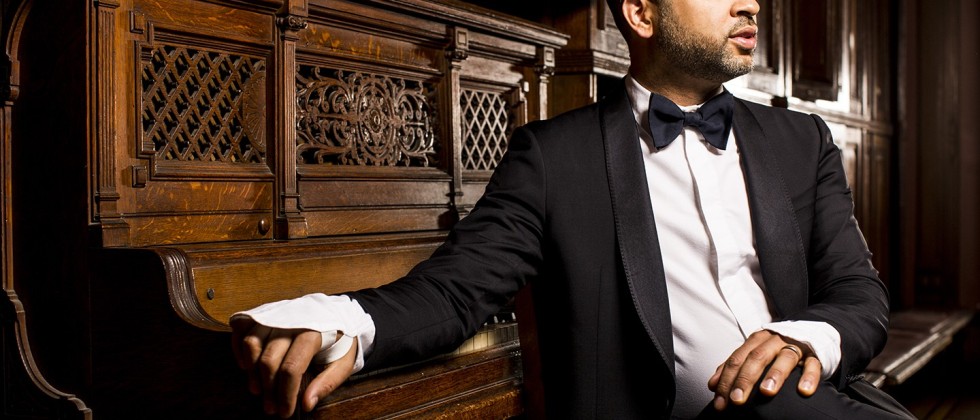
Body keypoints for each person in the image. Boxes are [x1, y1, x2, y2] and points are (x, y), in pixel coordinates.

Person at [231, 0, 914, 418]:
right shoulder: (555, 157)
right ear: (641, 13)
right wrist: (345, 323)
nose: (752, 5)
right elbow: (457, 290)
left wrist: (804, 340)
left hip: (813, 402)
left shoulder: (802, 140)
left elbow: (859, 296)